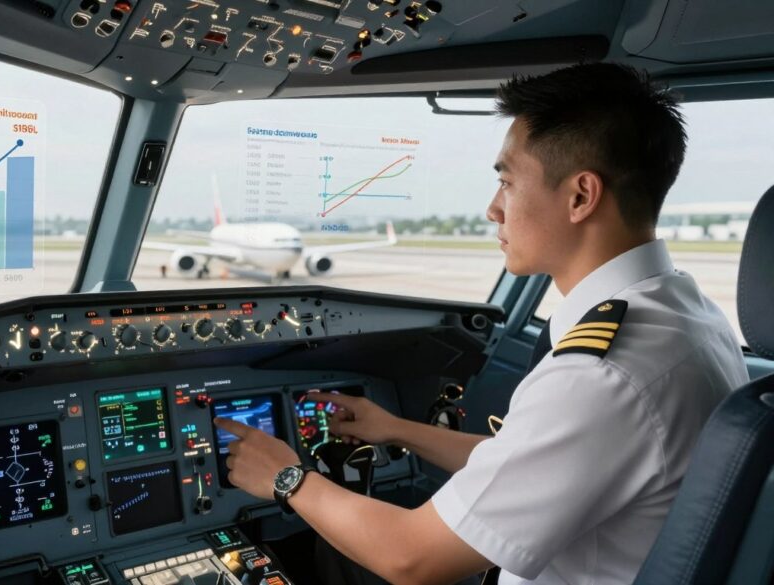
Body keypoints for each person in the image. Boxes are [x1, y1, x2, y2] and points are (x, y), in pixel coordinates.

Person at [213, 62, 750, 585]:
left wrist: (285, 478)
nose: (494, 209)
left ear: (581, 196)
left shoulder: (603, 376)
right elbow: (532, 461)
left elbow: (410, 559)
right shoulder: (687, 316)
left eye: (507, 181)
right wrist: (394, 429)